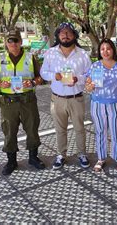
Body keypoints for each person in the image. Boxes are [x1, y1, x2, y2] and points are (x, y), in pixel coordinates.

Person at [0, 29, 45, 175]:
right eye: (10, 41)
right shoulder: (0, 58)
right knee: (9, 130)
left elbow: (40, 78)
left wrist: (33, 82)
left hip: (27, 100)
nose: (13, 44)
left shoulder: (30, 57)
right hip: (8, 102)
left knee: (32, 128)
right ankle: (11, 161)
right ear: (6, 43)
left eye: (16, 41)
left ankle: (33, 158)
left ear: (21, 42)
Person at [40, 22, 92, 170]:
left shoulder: (82, 54)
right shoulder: (50, 53)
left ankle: (82, 154)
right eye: (62, 33)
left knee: (79, 128)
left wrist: (78, 79)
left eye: (69, 32)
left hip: (76, 98)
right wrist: (54, 76)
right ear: (58, 36)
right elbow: (43, 72)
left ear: (74, 35)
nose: (65, 35)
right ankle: (61, 155)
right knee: (60, 129)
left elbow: (89, 74)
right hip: (57, 99)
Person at [85, 39, 117, 172]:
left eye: (108, 48)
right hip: (98, 104)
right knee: (100, 132)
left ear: (113, 49)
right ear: (99, 51)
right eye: (102, 49)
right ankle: (101, 158)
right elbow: (88, 86)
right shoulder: (95, 66)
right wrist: (90, 86)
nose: (105, 51)